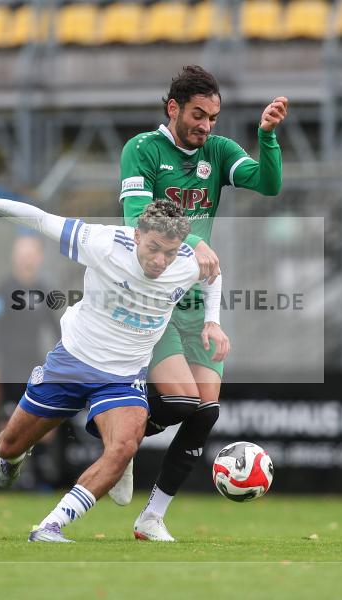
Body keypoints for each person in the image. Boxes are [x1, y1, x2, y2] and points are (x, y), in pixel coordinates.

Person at [0, 178, 228, 543]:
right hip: (71, 362)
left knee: (125, 445)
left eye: (169, 253)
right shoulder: (103, 242)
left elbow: (212, 275)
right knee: (8, 445)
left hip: (123, 378)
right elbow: (40, 219)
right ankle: (14, 458)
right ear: (137, 235)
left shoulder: (186, 263)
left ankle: (51, 526)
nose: (160, 261)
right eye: (154, 248)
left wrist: (213, 322)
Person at [117, 65, 287, 540]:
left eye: (213, 117)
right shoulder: (142, 150)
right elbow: (138, 217)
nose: (206, 126)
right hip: (152, 296)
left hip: (198, 300)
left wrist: (267, 137)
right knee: (178, 401)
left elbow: (267, 184)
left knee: (205, 410)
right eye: (198, 114)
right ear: (173, 108)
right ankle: (120, 440)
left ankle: (152, 517)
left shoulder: (218, 150)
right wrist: (192, 239)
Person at [0, 236, 62, 490]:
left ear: (39, 258)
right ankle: (7, 469)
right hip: (8, 367)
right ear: (15, 256)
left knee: (44, 420)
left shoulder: (45, 290)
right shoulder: (2, 290)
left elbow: (57, 328)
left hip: (35, 364)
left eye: (31, 254)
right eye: (22, 253)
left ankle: (40, 474)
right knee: (9, 420)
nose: (26, 258)